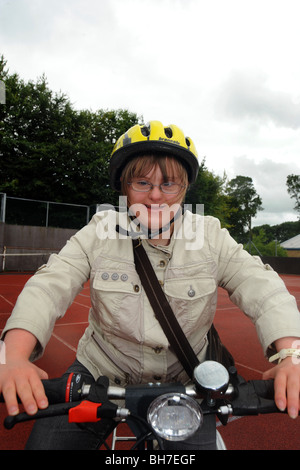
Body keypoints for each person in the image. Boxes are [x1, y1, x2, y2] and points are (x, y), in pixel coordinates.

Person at [0, 120, 300, 450]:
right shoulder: (101, 230)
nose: (155, 195)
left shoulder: (210, 236)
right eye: (142, 182)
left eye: (169, 184)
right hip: (100, 373)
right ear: (124, 187)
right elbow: (49, 285)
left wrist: (292, 356)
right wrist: (12, 358)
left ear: (184, 188)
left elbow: (261, 285)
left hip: (185, 381)